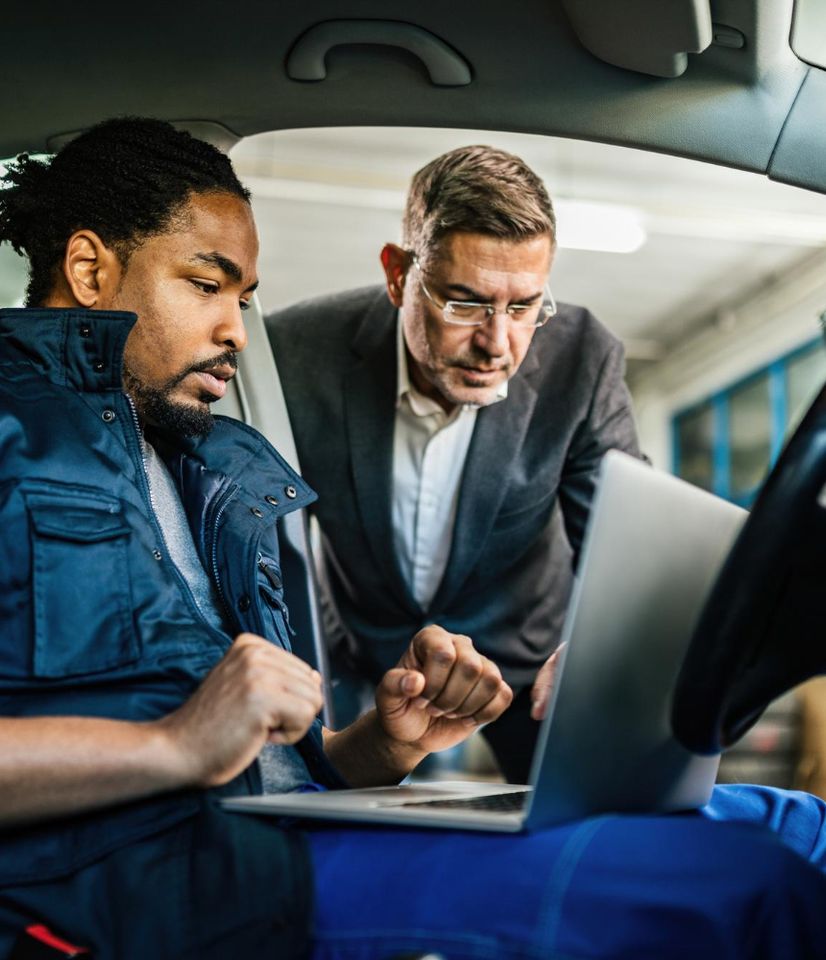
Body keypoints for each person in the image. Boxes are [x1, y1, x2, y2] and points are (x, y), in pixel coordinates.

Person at [1, 117, 826, 960]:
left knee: (804, 829)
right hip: (194, 867)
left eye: (241, 299)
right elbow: (197, 745)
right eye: (208, 286)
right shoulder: (21, 429)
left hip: (292, 814)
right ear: (90, 270)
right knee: (752, 888)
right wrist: (174, 745)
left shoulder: (206, 453)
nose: (238, 333)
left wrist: (384, 745)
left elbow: (278, 764)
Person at [266, 145, 639, 779]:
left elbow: (625, 538)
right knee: (329, 810)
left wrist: (601, 642)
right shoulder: (297, 353)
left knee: (583, 811)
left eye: (523, 307)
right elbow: (264, 539)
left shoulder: (582, 358)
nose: (497, 344)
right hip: (366, 658)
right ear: (398, 275)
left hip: (529, 663)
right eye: (465, 304)